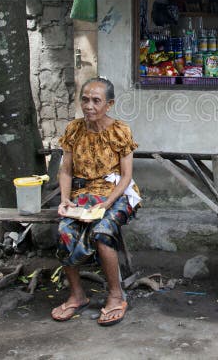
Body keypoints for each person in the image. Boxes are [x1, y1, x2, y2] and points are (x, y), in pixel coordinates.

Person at [50, 77, 140, 326]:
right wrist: (66, 200)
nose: (89, 106)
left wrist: (107, 204)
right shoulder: (73, 130)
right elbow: (66, 171)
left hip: (116, 194)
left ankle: (115, 295)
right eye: (85, 99)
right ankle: (77, 294)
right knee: (64, 230)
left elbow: (126, 177)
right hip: (83, 195)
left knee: (102, 231)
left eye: (96, 101)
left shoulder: (120, 130)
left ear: (109, 104)